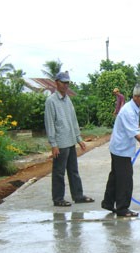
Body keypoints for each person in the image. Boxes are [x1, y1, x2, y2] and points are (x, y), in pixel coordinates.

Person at [102, 84, 140, 217]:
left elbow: (134, 130)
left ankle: (108, 203)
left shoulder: (135, 108)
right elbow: (134, 132)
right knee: (125, 179)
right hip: (120, 149)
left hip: (119, 147)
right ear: (135, 97)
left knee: (116, 177)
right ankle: (122, 209)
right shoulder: (128, 111)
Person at [44, 71, 94, 207]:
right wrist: (53, 144)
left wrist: (79, 139)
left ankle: (78, 195)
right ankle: (58, 198)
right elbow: (49, 123)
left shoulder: (67, 100)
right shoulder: (51, 101)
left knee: (73, 170)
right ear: (57, 83)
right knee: (59, 172)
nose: (65, 85)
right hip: (60, 143)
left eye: (67, 83)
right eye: (63, 82)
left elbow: (73, 120)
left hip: (70, 141)